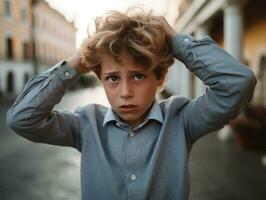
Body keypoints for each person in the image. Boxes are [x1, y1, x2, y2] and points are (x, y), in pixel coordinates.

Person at [7, 9, 256, 200]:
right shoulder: (86, 124)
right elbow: (21, 118)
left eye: (138, 76)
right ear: (100, 79)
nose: (125, 92)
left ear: (159, 77)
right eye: (113, 78)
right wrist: (72, 65)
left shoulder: (182, 119)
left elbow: (238, 84)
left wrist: (175, 41)